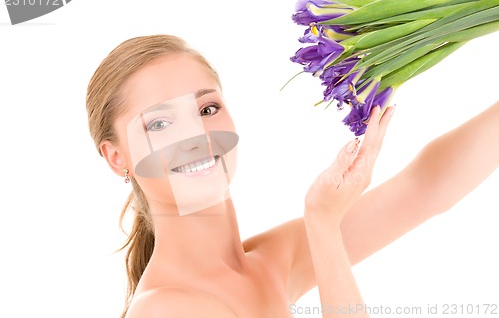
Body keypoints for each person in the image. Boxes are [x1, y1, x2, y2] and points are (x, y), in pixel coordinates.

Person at [86, 34, 498, 318]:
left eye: (207, 109)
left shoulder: (266, 262)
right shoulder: (167, 309)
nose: (196, 137)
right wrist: (321, 224)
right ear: (116, 157)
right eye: (159, 125)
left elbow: (426, 187)